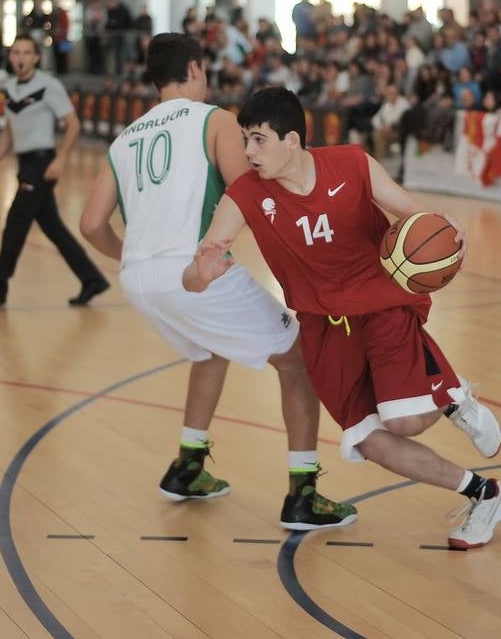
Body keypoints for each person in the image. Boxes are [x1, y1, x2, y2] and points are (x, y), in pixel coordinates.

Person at [182, 87, 501, 550]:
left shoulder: (353, 164)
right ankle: (486, 494)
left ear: (292, 140)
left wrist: (445, 224)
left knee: (401, 422)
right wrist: (200, 272)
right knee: (374, 443)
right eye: (245, 139)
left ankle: (451, 396)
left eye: (258, 139)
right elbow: (195, 272)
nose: (247, 152)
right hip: (323, 331)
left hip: (381, 306)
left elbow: (411, 212)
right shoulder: (244, 194)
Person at [79, 34, 356, 530]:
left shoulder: (124, 139)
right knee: (298, 363)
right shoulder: (215, 119)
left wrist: (136, 259)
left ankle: (188, 466)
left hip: (139, 280)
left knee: (209, 350)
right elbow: (250, 191)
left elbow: (90, 225)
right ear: (195, 67)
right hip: (191, 272)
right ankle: (303, 494)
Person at [0, 35, 109, 310]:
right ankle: (92, 279)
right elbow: (10, 129)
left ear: (36, 58)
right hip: (25, 163)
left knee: (15, 223)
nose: (20, 57)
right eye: (15, 52)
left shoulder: (49, 86)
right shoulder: (11, 87)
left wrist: (60, 159)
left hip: (42, 163)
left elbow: (73, 125)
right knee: (53, 228)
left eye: (26, 52)